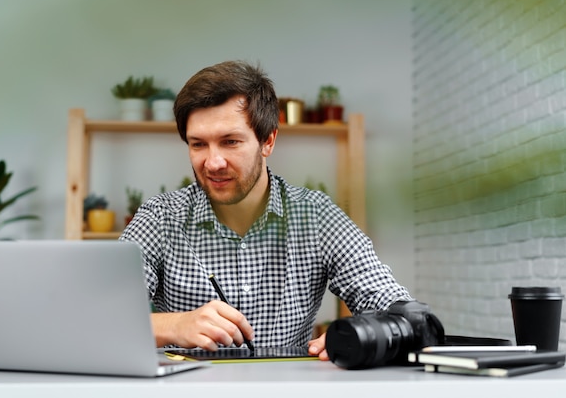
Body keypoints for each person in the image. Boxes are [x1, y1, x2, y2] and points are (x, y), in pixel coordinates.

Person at [119, 60, 412, 360]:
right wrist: (174, 324)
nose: (213, 162)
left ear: (268, 141)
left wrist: (364, 333)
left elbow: (403, 313)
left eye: (230, 142)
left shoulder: (317, 217)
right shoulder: (160, 219)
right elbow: (96, 316)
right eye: (198, 144)